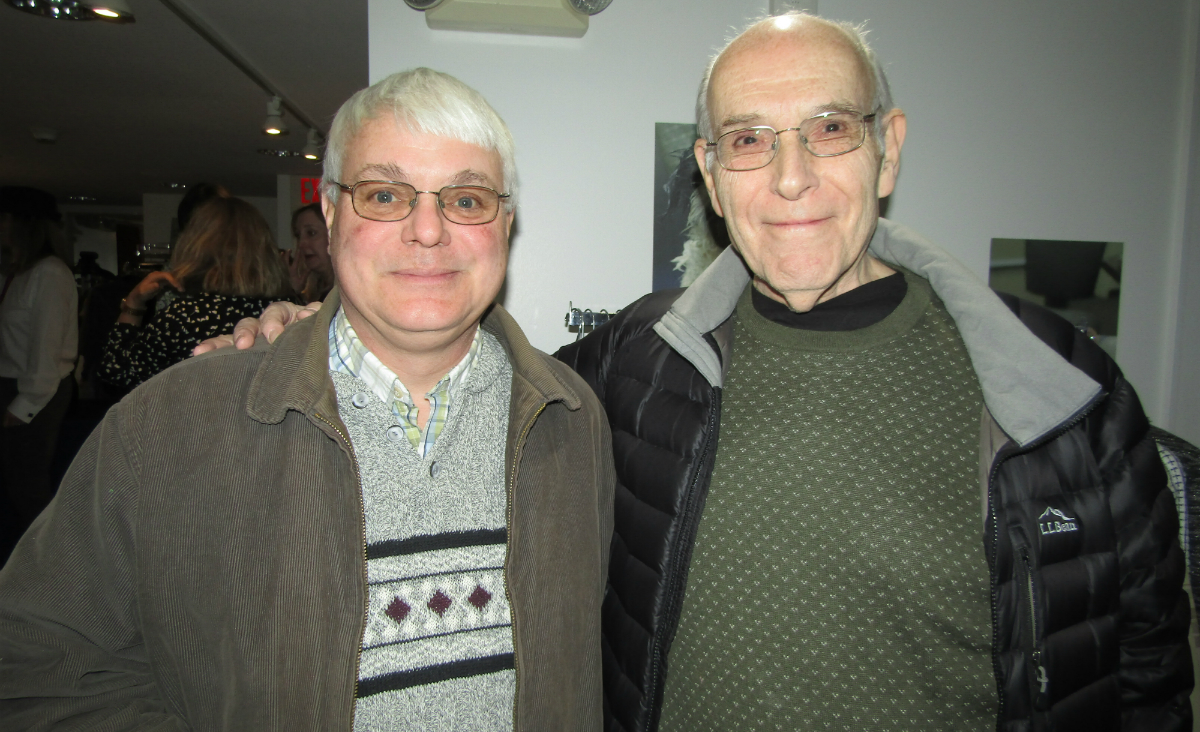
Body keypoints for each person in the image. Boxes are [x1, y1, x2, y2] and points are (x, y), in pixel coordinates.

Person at [217, 13, 1192, 731]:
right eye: (750, 141)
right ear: (714, 180)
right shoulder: (639, 365)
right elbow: (462, 373)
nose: (791, 176)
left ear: (887, 151)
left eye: (830, 129)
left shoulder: (1065, 399)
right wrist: (312, 333)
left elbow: (1147, 680)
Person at [0, 68, 613, 730]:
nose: (428, 231)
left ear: (506, 223)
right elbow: (37, 667)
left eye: (466, 200)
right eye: (384, 195)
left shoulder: (574, 421)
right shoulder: (170, 423)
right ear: (328, 215)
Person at [97, 196, 293, 392]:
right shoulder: (286, 312)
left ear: (194, 247)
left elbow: (116, 371)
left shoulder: (183, 317)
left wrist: (134, 304)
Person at [0, 186, 78, 557]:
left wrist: (24, 404)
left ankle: (50, 565)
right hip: (15, 383)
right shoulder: (18, 273)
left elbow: (47, 347)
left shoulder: (49, 273)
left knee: (26, 485)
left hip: (37, 388)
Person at [287, 202, 335, 302]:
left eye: (311, 233)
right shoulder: (318, 293)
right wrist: (294, 290)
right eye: (298, 236)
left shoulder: (349, 293)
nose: (301, 244)